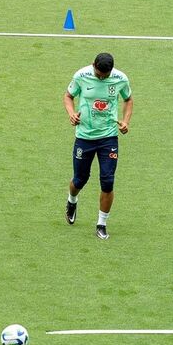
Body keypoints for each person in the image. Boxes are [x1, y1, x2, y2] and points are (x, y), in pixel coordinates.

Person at [63, 52, 132, 240]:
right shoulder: (81, 76)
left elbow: (128, 99)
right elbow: (68, 96)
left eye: (105, 76)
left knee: (108, 182)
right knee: (80, 179)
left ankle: (101, 224)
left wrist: (126, 121)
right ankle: (72, 200)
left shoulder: (120, 79)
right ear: (93, 65)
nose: (101, 78)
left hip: (108, 137)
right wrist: (71, 113)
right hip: (84, 136)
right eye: (99, 75)